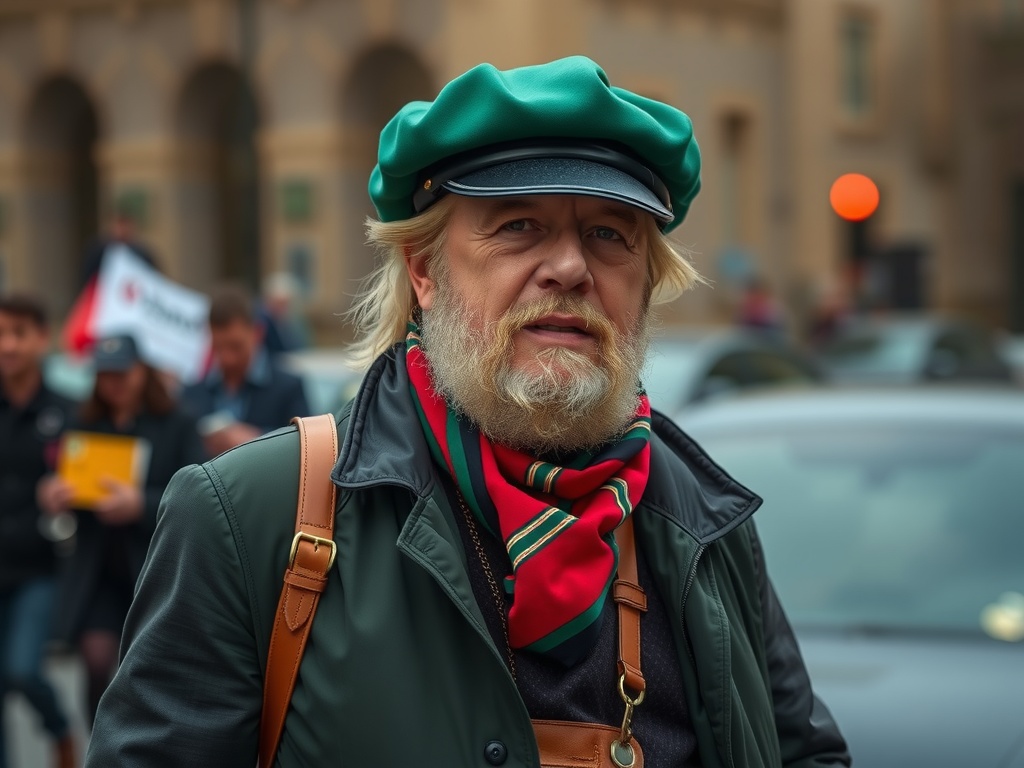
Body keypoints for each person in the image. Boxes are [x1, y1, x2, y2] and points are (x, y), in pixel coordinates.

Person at [86, 57, 850, 767]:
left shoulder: (706, 523)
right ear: (424, 272)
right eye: (519, 225)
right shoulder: (249, 518)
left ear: (643, 287)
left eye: (609, 235)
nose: (571, 267)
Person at [37, 334, 205, 725]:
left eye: (123, 372)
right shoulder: (83, 423)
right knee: (96, 661)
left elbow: (198, 492)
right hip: (98, 570)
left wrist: (140, 504)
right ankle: (101, 745)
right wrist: (53, 492)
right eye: (106, 373)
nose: (115, 382)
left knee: (153, 669)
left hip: (155, 567)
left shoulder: (177, 423)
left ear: (142, 371)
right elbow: (58, 478)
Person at [0, 294, 76, 768]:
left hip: (41, 569)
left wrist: (70, 490)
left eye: (19, 334)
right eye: (1, 334)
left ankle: (60, 731)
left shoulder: (68, 411)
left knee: (24, 670)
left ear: (41, 339)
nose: (7, 345)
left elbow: (92, 485)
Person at [180, 285, 311, 458]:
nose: (227, 358)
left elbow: (309, 452)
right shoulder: (191, 394)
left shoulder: (288, 389)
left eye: (236, 347)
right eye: (219, 348)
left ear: (258, 333)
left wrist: (256, 441)